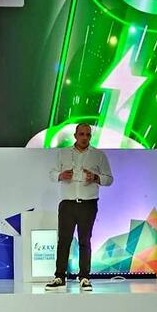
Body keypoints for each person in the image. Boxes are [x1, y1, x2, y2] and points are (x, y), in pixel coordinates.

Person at [45, 123, 113, 291]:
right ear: (75, 136)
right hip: (67, 203)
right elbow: (51, 174)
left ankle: (84, 277)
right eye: (81, 134)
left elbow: (109, 179)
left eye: (88, 135)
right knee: (64, 241)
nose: (84, 137)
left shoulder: (98, 155)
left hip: (88, 204)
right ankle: (59, 277)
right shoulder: (63, 153)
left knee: (85, 240)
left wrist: (95, 178)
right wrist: (60, 175)